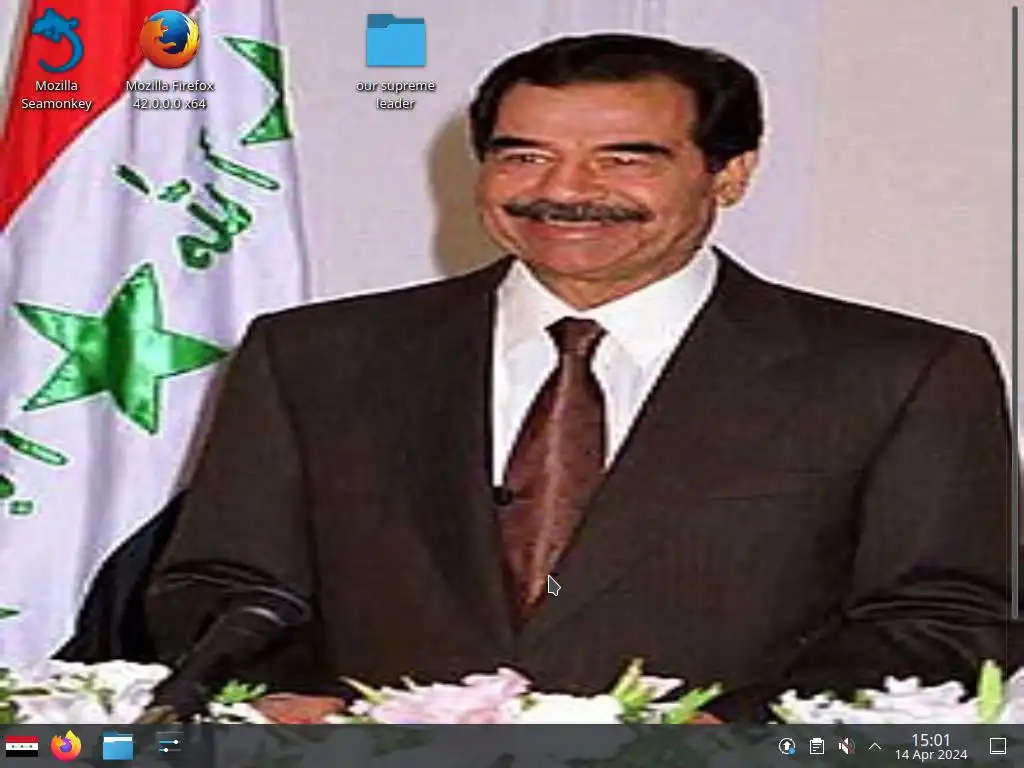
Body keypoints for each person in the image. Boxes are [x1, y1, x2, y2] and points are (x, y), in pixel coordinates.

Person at [144, 33, 1014, 722]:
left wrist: (734, 730)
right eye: (523, 156)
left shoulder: (901, 373)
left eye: (625, 158)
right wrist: (292, 698)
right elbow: (221, 584)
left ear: (730, 173)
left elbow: (943, 619)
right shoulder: (314, 355)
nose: (565, 189)